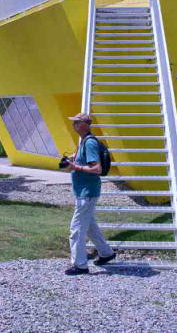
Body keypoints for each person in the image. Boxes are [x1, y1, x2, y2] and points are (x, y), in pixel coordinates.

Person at [63, 112, 116, 275]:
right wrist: (74, 160)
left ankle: (80, 265)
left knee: (77, 228)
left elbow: (97, 168)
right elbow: (87, 163)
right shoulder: (84, 141)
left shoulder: (90, 143)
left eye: (76, 122)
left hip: (87, 192)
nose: (73, 124)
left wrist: (76, 167)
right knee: (90, 226)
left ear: (84, 125)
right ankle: (106, 253)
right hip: (84, 191)